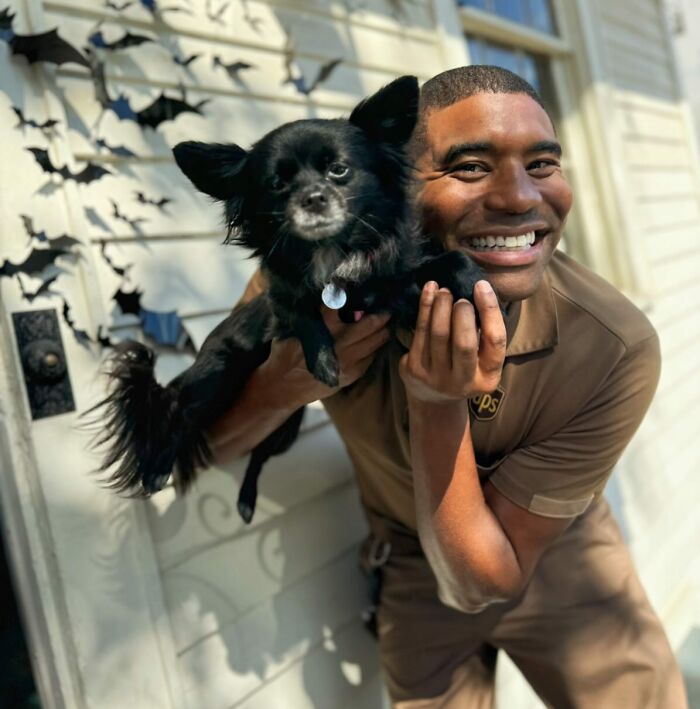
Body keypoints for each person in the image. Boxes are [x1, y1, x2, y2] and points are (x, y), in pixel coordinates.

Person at [208, 66, 688, 708]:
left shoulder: (610, 345)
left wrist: (437, 401)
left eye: (543, 163)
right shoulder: (302, 284)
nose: (519, 197)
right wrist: (280, 386)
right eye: (469, 166)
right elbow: (210, 446)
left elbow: (484, 579)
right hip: (409, 563)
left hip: (566, 566)